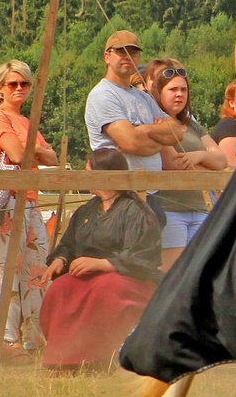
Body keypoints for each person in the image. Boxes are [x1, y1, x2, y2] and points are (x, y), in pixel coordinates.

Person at [38, 148, 165, 369]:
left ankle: (99, 359)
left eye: (89, 172)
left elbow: (144, 257)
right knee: (61, 288)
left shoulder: (137, 211)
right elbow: (68, 245)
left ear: (107, 174)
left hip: (128, 278)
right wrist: (60, 260)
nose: (84, 177)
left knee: (105, 288)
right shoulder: (86, 210)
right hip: (88, 276)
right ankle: (63, 358)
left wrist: (102, 264)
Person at [0, 60, 58, 349]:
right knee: (8, 270)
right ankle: (4, 336)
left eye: (24, 83)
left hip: (30, 199)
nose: (18, 88)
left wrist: (34, 151)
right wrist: (37, 151)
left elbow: (50, 158)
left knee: (37, 270)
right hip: (8, 199)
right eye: (12, 83)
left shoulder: (26, 122)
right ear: (0, 88)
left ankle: (34, 337)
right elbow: (15, 154)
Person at [143, 58, 227, 269]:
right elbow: (174, 163)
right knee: (171, 273)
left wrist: (198, 156)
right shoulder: (157, 123)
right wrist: (207, 161)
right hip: (171, 209)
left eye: (183, 89)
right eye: (173, 89)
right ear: (159, 92)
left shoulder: (191, 125)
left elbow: (222, 159)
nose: (179, 94)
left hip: (200, 207)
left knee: (201, 271)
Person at [84, 30, 182, 176]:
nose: (128, 57)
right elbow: (131, 142)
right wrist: (161, 138)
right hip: (119, 190)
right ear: (107, 57)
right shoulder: (103, 95)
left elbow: (177, 132)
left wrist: (145, 130)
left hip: (152, 190)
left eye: (133, 52)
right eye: (121, 52)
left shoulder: (144, 97)